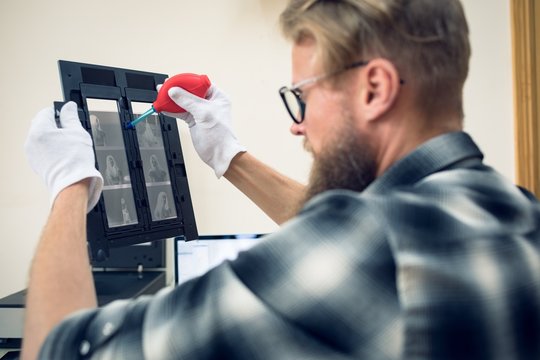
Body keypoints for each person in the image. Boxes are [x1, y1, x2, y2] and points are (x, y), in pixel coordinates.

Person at [22, 1, 540, 359]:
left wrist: (71, 185)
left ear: (375, 89)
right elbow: (358, 230)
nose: (298, 123)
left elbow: (60, 350)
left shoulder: (370, 253)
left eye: (303, 98)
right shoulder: (516, 212)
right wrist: (231, 157)